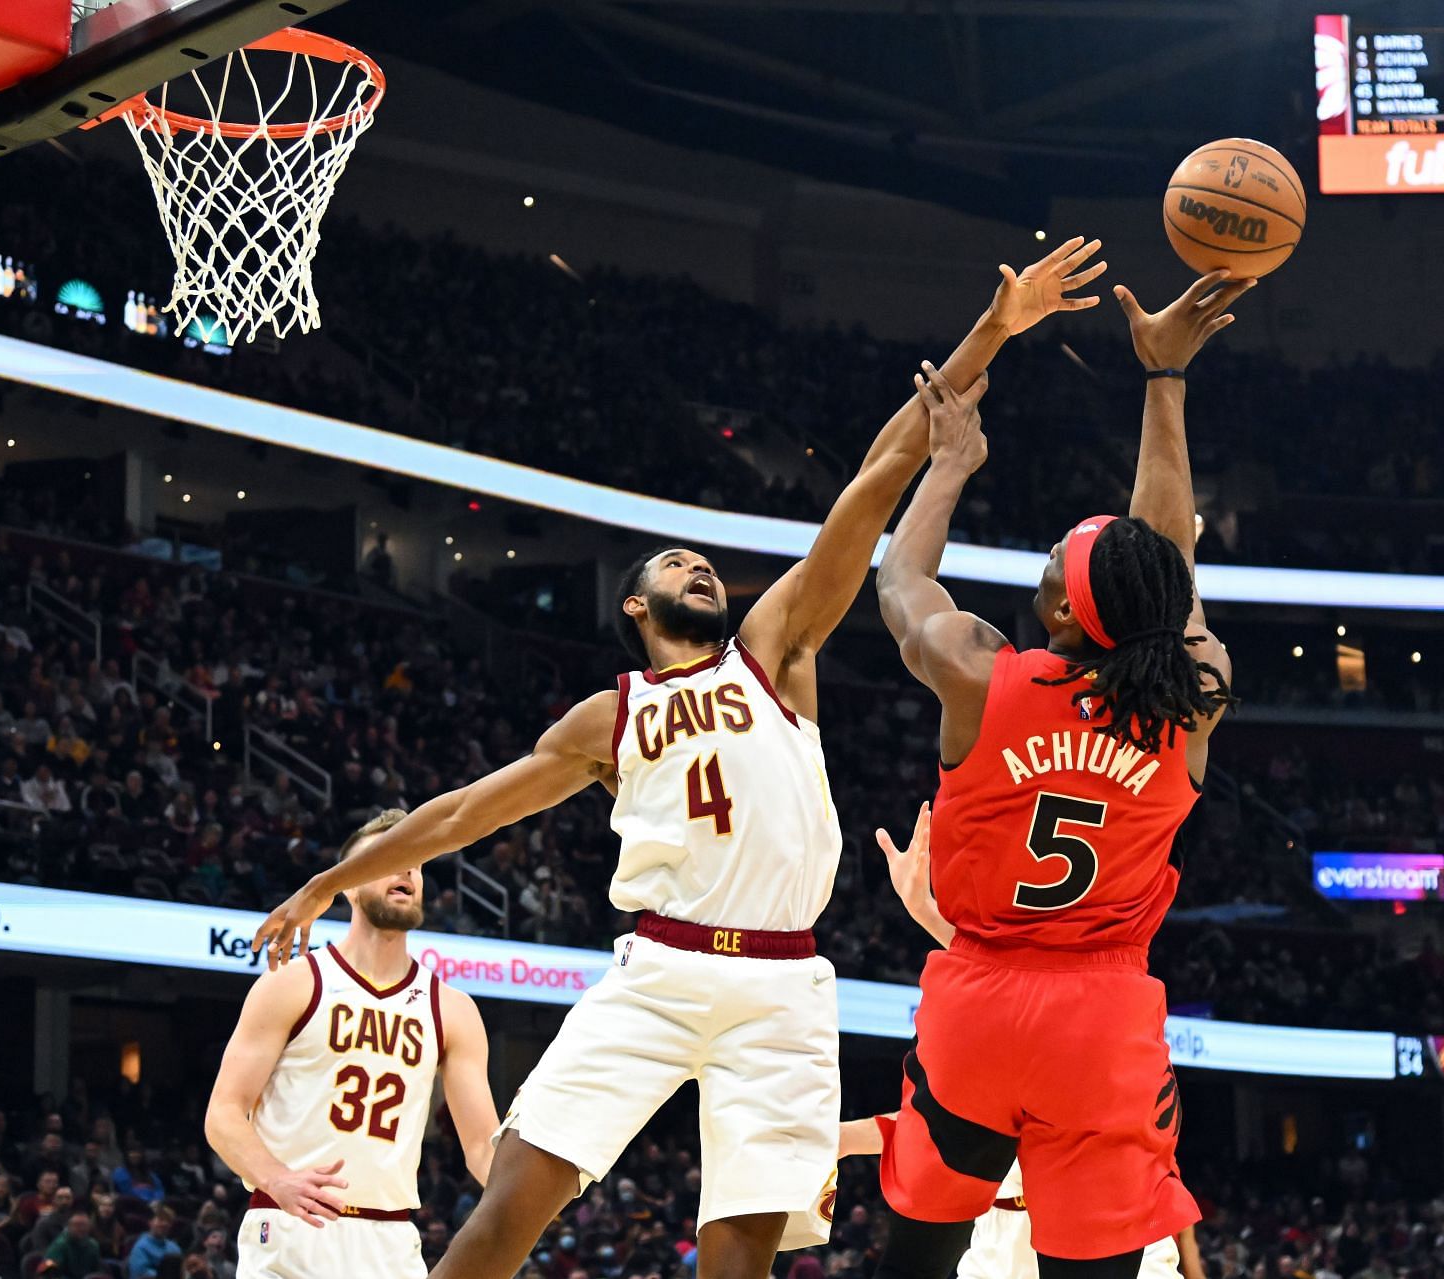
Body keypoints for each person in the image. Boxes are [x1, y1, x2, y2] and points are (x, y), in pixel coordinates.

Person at [251, 237, 1110, 1279]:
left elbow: (873, 480)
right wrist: (323, 881)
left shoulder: (778, 649)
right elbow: (460, 816)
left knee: (741, 1252)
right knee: (514, 1199)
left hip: (785, 983)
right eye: (675, 563)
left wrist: (993, 333)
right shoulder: (604, 718)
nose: (698, 567)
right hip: (657, 965)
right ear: (634, 603)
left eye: (704, 563)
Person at [866, 271, 1246, 1279]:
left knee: (914, 1260)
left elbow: (900, 581)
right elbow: (1165, 564)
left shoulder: (977, 670)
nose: (1046, 562)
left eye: (1053, 562)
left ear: (1067, 616)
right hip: (1101, 1013)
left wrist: (951, 464)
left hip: (980, 997)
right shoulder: (1192, 696)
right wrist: (1163, 375)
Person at [839, 807, 1206, 1279]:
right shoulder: (1012, 998)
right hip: (999, 1232)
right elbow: (1000, 979)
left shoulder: (1098, 1002)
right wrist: (922, 908)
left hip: (1107, 1227)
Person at [210, 811, 497, 1279]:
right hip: (290, 1227)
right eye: (392, 856)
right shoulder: (294, 983)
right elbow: (223, 1113)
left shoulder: (454, 1009)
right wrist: (275, 1177)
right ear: (346, 884)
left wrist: (540, 1186)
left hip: (390, 1242)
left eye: (418, 861)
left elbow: (483, 1150)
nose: (408, 869)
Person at [128, 1206, 182, 1278]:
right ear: (150, 1222)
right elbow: (140, 1273)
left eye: (168, 1221)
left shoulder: (175, 1248)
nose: (165, 1224)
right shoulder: (141, 1247)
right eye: (161, 1220)